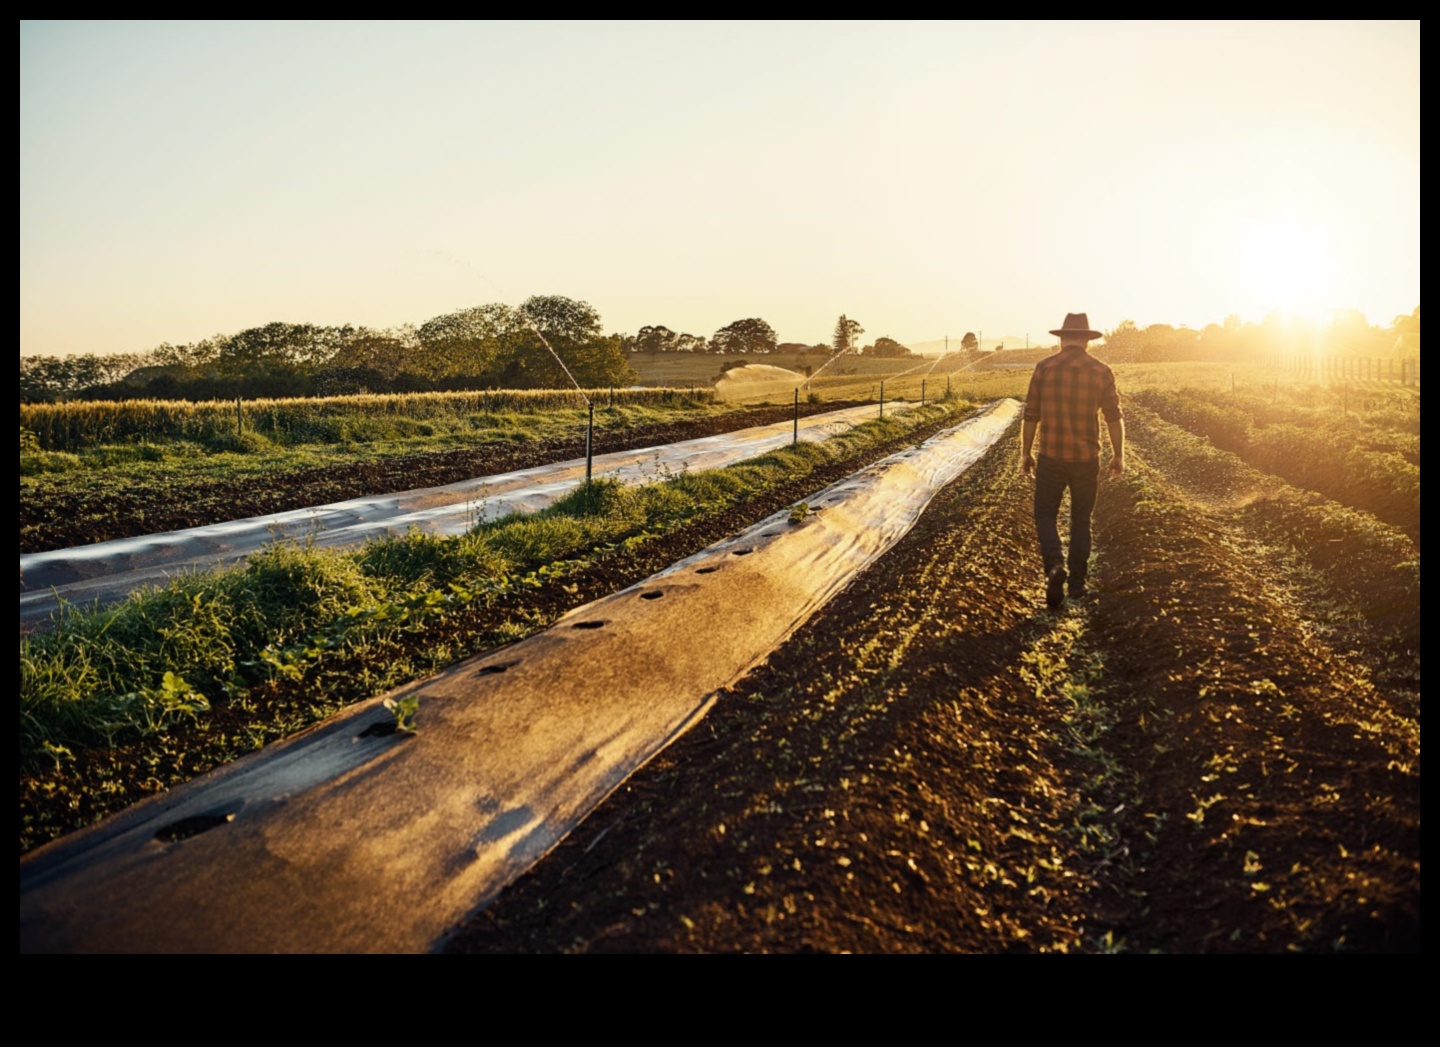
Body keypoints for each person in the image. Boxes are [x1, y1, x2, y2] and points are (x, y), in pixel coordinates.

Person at [1021, 313, 1124, 609]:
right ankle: (1077, 583)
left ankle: (1054, 566)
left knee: (1044, 515)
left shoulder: (1044, 368)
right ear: (1087, 341)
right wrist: (1119, 455)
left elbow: (1031, 415)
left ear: (1062, 338)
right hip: (1086, 458)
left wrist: (1026, 453)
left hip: (1051, 455)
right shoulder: (1101, 371)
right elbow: (1114, 418)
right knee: (1081, 519)